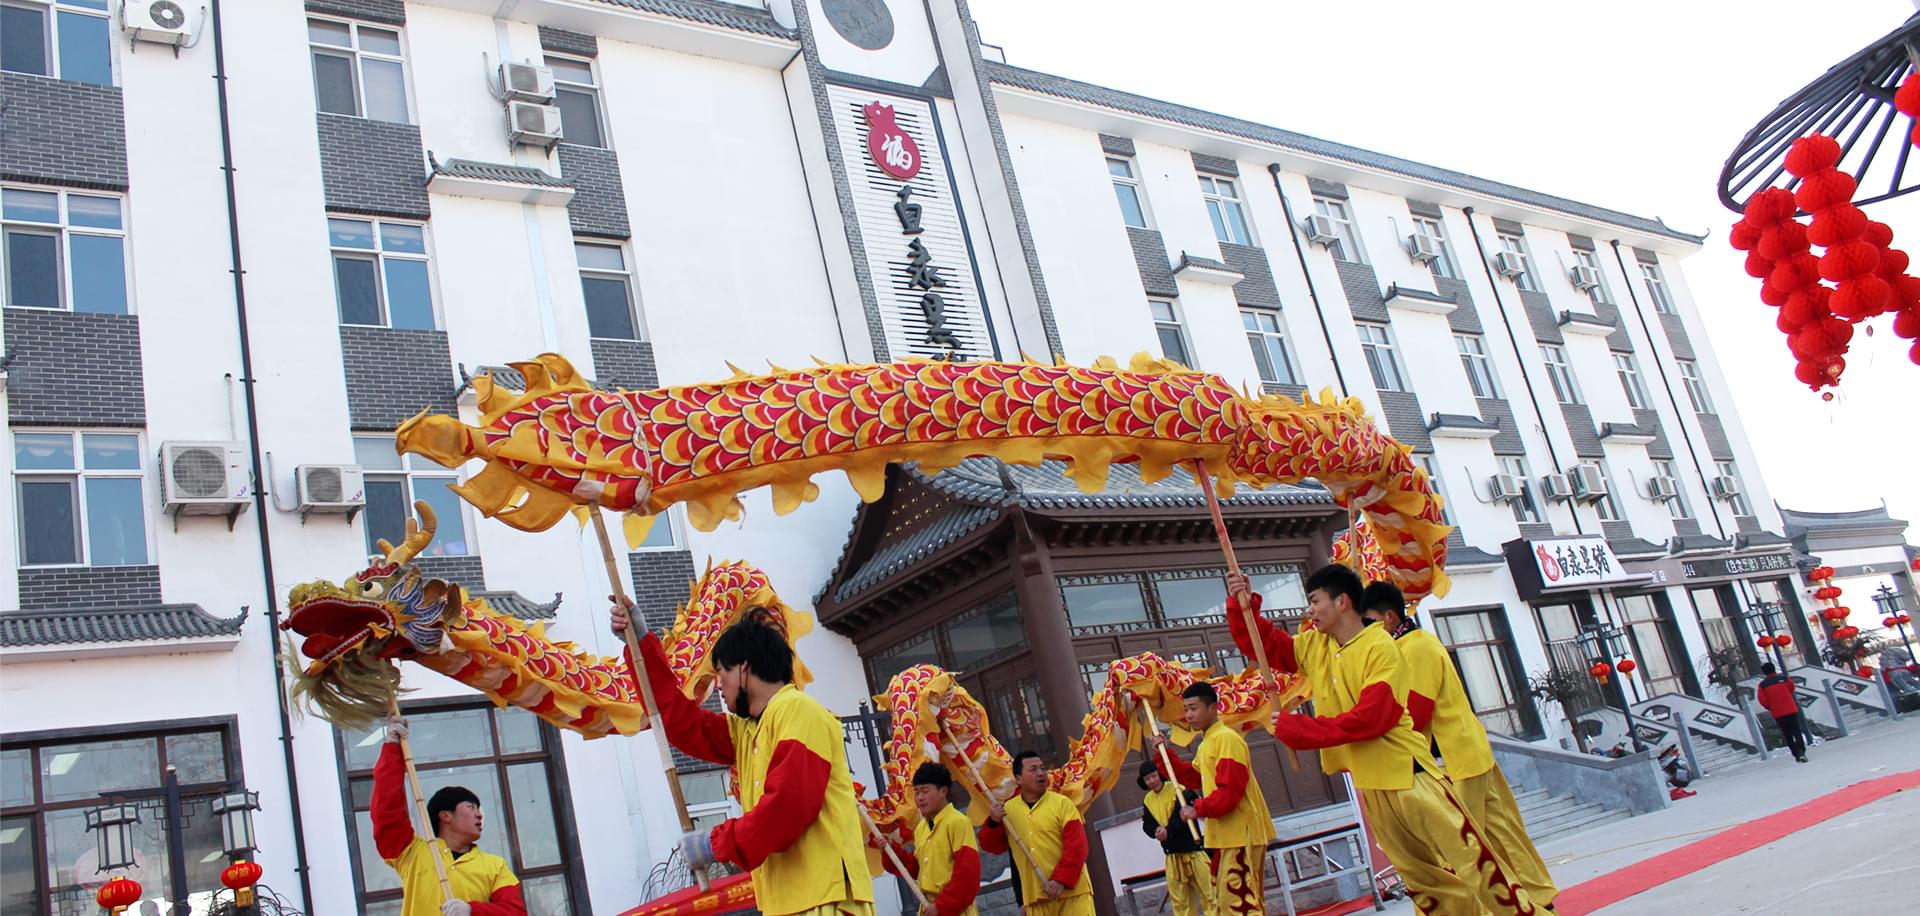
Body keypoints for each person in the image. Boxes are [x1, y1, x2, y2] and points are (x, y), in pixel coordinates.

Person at [1226, 565, 1541, 916]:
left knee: (1476, 865)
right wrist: (1243, 606)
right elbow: (1266, 646)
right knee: (1422, 880)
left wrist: (1304, 730)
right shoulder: (1317, 645)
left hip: (1410, 776)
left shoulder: (1382, 647)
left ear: (1342, 601)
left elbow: (1375, 717)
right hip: (1371, 783)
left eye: (1315, 601)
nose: (1309, 610)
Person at [611, 599, 875, 916]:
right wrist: (640, 643)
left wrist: (715, 844)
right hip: (788, 903)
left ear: (744, 668)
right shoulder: (748, 730)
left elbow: (787, 807)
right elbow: (680, 721)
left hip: (827, 900)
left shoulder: (799, 711)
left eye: (721, 672)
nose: (719, 684)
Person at [1361, 582, 1559, 909]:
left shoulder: (1413, 648)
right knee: (1500, 833)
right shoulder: (1416, 643)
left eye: (1369, 622)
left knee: (1459, 847)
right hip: (1468, 752)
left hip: (1454, 760)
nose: (1366, 630)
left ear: (1390, 618)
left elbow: (1416, 713)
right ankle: (1538, 899)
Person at [372, 716, 526, 916]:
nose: (479, 815)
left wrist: (473, 910)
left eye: (479, 810)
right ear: (445, 815)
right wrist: (392, 747)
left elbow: (516, 912)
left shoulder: (495, 867)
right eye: (471, 807)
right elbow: (387, 808)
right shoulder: (412, 853)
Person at [1150, 682, 1272, 916]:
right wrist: (1165, 754)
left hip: (1241, 833)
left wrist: (1198, 809)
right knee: (1227, 905)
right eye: (1186, 709)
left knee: (1240, 905)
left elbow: (1231, 791)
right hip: (1226, 835)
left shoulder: (1226, 739)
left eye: (1193, 708)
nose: (1188, 715)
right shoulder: (1208, 742)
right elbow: (1194, 777)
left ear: (1212, 708)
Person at [979, 751, 1093, 916]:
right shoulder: (1008, 810)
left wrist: (1060, 880)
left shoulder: (1062, 804)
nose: (1041, 773)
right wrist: (993, 822)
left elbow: (1077, 847)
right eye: (1033, 769)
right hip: (1036, 899)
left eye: (1042, 768)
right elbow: (991, 846)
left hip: (1072, 895)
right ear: (1018, 779)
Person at [880, 763, 981, 916]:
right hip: (929, 909)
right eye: (917, 792)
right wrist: (890, 850)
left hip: (954, 910)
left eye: (925, 791)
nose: (920, 798)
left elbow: (968, 876)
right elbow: (918, 870)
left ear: (943, 791)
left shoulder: (958, 822)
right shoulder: (921, 828)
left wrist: (941, 906)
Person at [1136, 759, 1213, 916]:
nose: (1152, 781)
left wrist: (1168, 831)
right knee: (1180, 903)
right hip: (1172, 857)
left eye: (1154, 776)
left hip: (1194, 852)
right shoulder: (1148, 800)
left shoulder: (1179, 790)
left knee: (1210, 895)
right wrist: (1156, 831)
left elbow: (1183, 817)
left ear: (1160, 774)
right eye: (1147, 779)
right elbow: (1147, 824)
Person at [1756, 662, 1809, 763]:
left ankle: (1795, 753)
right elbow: (1791, 688)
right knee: (1796, 731)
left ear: (1764, 672)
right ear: (1774, 669)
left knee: (1787, 733)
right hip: (1791, 709)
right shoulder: (1784, 679)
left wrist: (1770, 706)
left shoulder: (1763, 685)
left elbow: (1762, 699)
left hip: (1778, 712)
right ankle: (1801, 751)